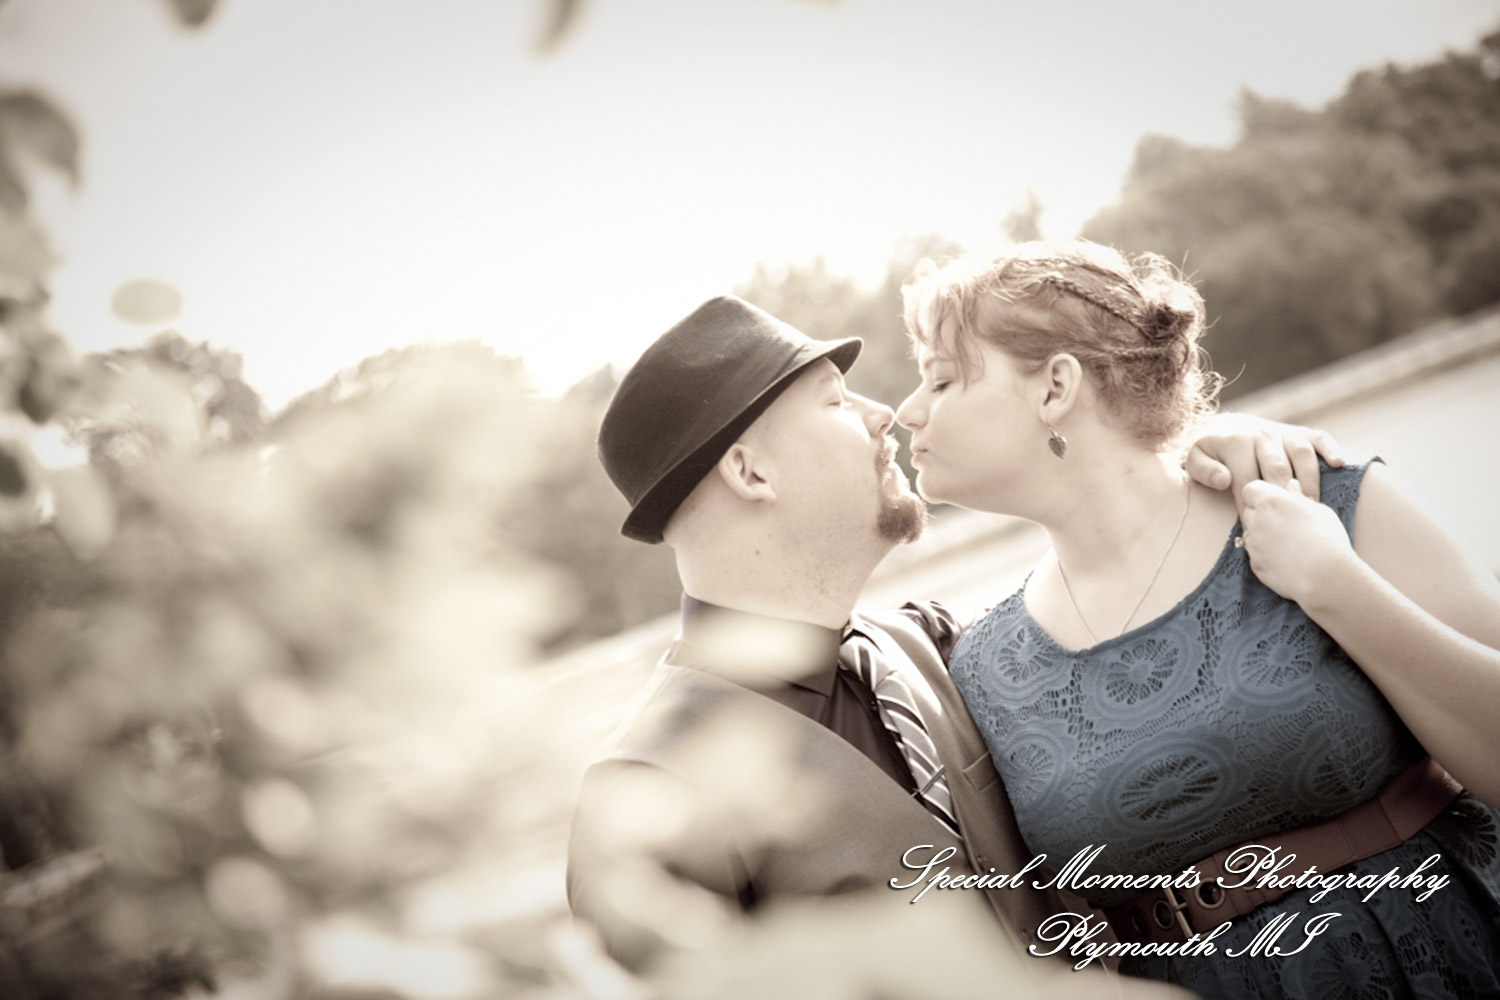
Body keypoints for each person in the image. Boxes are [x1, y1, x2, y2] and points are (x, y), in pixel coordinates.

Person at [567, 294, 1336, 995]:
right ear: (749, 470)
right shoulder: (643, 793)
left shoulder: (941, 646)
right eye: (836, 401)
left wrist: (1213, 459)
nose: (884, 417)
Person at [895, 238, 1500, 998]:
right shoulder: (982, 666)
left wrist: (1335, 586)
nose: (907, 412)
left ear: (1054, 386)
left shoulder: (1322, 500)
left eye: (942, 379)